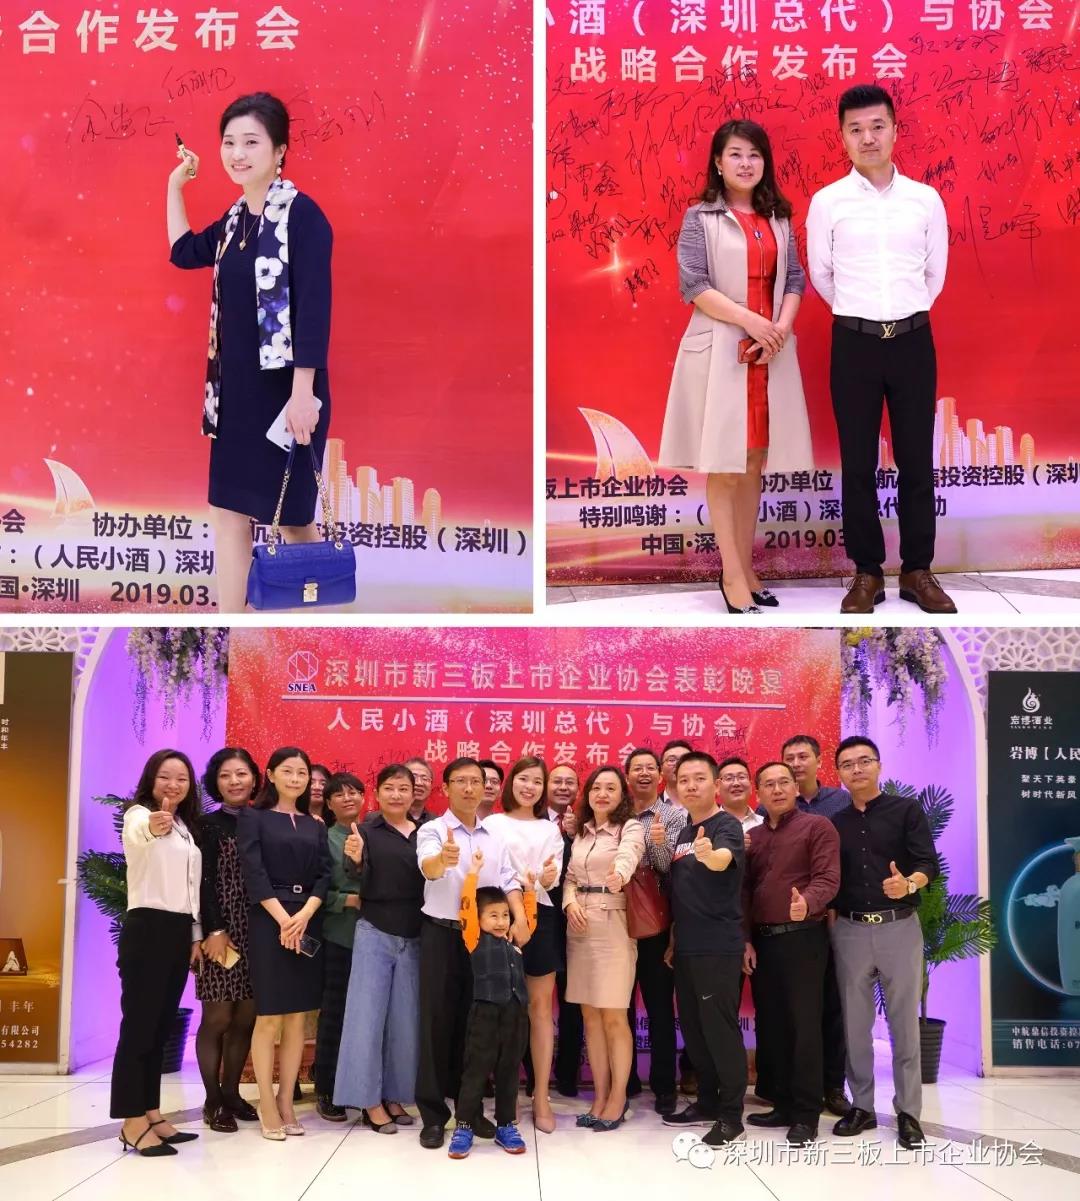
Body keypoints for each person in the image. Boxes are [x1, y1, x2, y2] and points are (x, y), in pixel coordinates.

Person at [168, 92, 333, 613]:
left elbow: (313, 310)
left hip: (286, 396)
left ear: (280, 150)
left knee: (295, 520)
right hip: (236, 396)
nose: (237, 154)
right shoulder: (235, 220)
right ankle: (233, 627)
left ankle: (316, 627)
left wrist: (303, 394)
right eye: (229, 142)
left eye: (251, 142)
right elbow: (183, 252)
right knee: (228, 512)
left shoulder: (303, 217)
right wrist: (175, 186)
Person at [806, 83, 954, 616]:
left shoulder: (925, 199)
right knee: (858, 463)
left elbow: (934, 274)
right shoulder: (828, 203)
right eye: (856, 129)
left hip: (913, 341)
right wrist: (863, 315)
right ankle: (866, 572)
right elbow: (822, 275)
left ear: (895, 130)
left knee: (917, 460)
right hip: (855, 344)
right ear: (842, 137)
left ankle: (917, 571)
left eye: (877, 126)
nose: (868, 137)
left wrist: (902, 316)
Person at [658, 119, 812, 614]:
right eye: (736, 154)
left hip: (770, 353)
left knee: (753, 464)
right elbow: (694, 285)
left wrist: (779, 329)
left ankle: (747, 568)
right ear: (718, 164)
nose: (746, 163)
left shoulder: (779, 218)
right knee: (726, 465)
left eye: (755, 155)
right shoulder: (699, 218)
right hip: (723, 351)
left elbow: (795, 280)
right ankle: (730, 576)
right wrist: (753, 322)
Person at [830, 737, 940, 1149]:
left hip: (899, 926)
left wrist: (908, 883)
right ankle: (862, 1106)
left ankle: (908, 1113)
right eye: (847, 764)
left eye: (864, 761)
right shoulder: (834, 823)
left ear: (878, 765)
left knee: (903, 1025)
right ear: (839, 773)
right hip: (851, 929)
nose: (856, 769)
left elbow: (928, 862)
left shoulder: (906, 810)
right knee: (855, 1025)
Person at [414, 758, 527, 1149]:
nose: (468, 788)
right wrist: (441, 861)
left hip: (483, 943)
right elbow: (428, 868)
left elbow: (508, 880)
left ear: (484, 787)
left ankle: (470, 1110)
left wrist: (519, 917)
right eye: (459, 781)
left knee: (476, 1027)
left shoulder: (494, 835)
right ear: (445, 788)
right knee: (435, 1024)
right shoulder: (433, 830)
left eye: (475, 781)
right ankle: (433, 1116)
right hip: (442, 935)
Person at [111, 750, 203, 1158]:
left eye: (181, 778)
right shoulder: (139, 815)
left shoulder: (184, 827)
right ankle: (131, 1121)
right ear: (151, 779)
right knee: (139, 1026)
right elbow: (139, 833)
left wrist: (195, 935)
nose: (173, 785)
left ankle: (150, 1111)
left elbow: (191, 889)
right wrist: (153, 825)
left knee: (160, 1026)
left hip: (178, 931)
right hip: (148, 927)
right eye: (165, 777)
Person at [742, 762, 840, 1146]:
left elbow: (828, 878)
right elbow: (744, 893)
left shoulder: (817, 827)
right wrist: (745, 939)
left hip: (804, 939)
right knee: (773, 1026)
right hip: (764, 942)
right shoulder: (752, 837)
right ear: (759, 793)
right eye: (769, 784)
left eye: (784, 782)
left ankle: (805, 1114)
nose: (777, 789)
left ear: (796, 788)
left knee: (804, 1027)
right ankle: (781, 1103)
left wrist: (808, 902)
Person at [237, 747, 331, 1140]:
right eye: (288, 771)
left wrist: (305, 914)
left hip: (307, 918)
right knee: (270, 1016)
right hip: (269, 919)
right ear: (271, 774)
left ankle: (287, 1101)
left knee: (297, 1017)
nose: (295, 779)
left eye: (302, 773)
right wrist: (283, 920)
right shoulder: (253, 817)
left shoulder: (315, 825)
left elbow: (325, 875)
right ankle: (266, 1102)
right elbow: (253, 872)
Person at [662, 752, 746, 1147]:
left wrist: (711, 857)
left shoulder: (726, 824)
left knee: (720, 1030)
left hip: (717, 946)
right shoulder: (683, 832)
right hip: (687, 946)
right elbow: (683, 892)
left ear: (716, 784)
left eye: (699, 778)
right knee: (695, 1032)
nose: (691, 786)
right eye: (684, 780)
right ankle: (708, 1102)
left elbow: (723, 859)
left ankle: (731, 1115)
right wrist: (674, 939)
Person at [335, 765, 424, 1132]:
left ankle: (394, 1095)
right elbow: (353, 871)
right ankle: (368, 1101)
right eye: (389, 788)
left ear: (414, 793)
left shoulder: (427, 833)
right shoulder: (366, 831)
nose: (396, 795)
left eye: (404, 788)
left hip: (415, 935)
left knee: (405, 1022)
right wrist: (355, 858)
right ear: (378, 792)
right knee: (366, 1019)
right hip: (375, 931)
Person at [562, 766, 645, 1132]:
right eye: (597, 787)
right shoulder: (581, 832)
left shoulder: (630, 827)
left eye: (611, 788)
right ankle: (598, 1096)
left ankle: (617, 1097)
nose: (603, 794)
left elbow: (629, 855)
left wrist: (620, 874)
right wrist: (569, 902)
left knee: (613, 1016)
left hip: (613, 925)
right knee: (591, 1017)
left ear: (622, 795)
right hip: (579, 926)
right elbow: (569, 878)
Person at [483, 758, 564, 1132]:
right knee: (504, 1008)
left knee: (540, 1009)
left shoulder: (550, 829)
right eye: (522, 779)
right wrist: (514, 910)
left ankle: (541, 1096)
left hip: (542, 918)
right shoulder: (493, 824)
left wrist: (545, 878)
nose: (529, 787)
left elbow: (552, 877)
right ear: (511, 783)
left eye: (536, 781)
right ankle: (508, 1096)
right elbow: (492, 873)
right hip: (500, 919)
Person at [780, 734, 852, 1116]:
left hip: (834, 917)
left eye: (802, 756)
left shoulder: (841, 803)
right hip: (792, 924)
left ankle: (834, 1086)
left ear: (819, 761)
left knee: (833, 1005)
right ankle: (794, 1087)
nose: (796, 763)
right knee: (797, 1010)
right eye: (789, 757)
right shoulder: (775, 805)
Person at [195, 747, 262, 1133]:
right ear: (215, 782)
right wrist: (214, 931)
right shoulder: (206, 825)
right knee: (218, 1016)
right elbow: (202, 883)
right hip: (220, 932)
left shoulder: (264, 821)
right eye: (225, 775)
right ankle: (212, 1100)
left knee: (246, 1018)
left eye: (241, 774)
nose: (235, 781)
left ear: (254, 778)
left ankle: (232, 1093)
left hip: (259, 932)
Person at [447, 859, 531, 1159]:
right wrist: (472, 875)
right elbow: (466, 906)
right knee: (476, 1071)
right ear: (478, 918)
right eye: (493, 915)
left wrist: (529, 890)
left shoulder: (514, 939)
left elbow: (528, 920)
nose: (500, 922)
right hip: (484, 1016)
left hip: (515, 1015)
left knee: (509, 1071)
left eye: (505, 915)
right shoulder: (473, 938)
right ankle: (464, 1126)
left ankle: (506, 1125)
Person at [623, 748, 685, 1115]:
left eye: (650, 767)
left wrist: (659, 844)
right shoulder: (616, 813)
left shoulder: (674, 815)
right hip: (615, 923)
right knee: (620, 1006)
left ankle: (664, 1086)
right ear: (627, 775)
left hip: (655, 923)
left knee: (660, 1007)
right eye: (637, 768)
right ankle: (626, 1080)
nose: (644, 773)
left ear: (660, 774)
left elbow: (671, 870)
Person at [312, 772, 364, 1121]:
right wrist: (347, 900)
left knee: (366, 1017)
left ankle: (361, 1087)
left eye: (354, 792)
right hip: (338, 937)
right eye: (340, 794)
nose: (348, 798)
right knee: (334, 1014)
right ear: (328, 803)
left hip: (374, 938)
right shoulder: (322, 839)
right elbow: (313, 888)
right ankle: (327, 1088)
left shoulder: (373, 835)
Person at [546, 764, 585, 1097]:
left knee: (572, 1001)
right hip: (539, 921)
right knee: (535, 1002)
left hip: (577, 921)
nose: (562, 787)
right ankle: (534, 1074)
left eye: (569, 782)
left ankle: (568, 1075)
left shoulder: (589, 822)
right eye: (556, 781)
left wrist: (573, 836)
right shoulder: (530, 820)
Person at [718, 757, 764, 838]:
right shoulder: (707, 827)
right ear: (717, 787)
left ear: (751, 786)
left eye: (742, 777)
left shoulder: (765, 823)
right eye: (729, 778)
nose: (736, 783)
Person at [405, 758, 437, 826]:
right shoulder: (385, 820)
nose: (419, 783)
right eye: (413, 777)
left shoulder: (438, 824)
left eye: (425, 778)